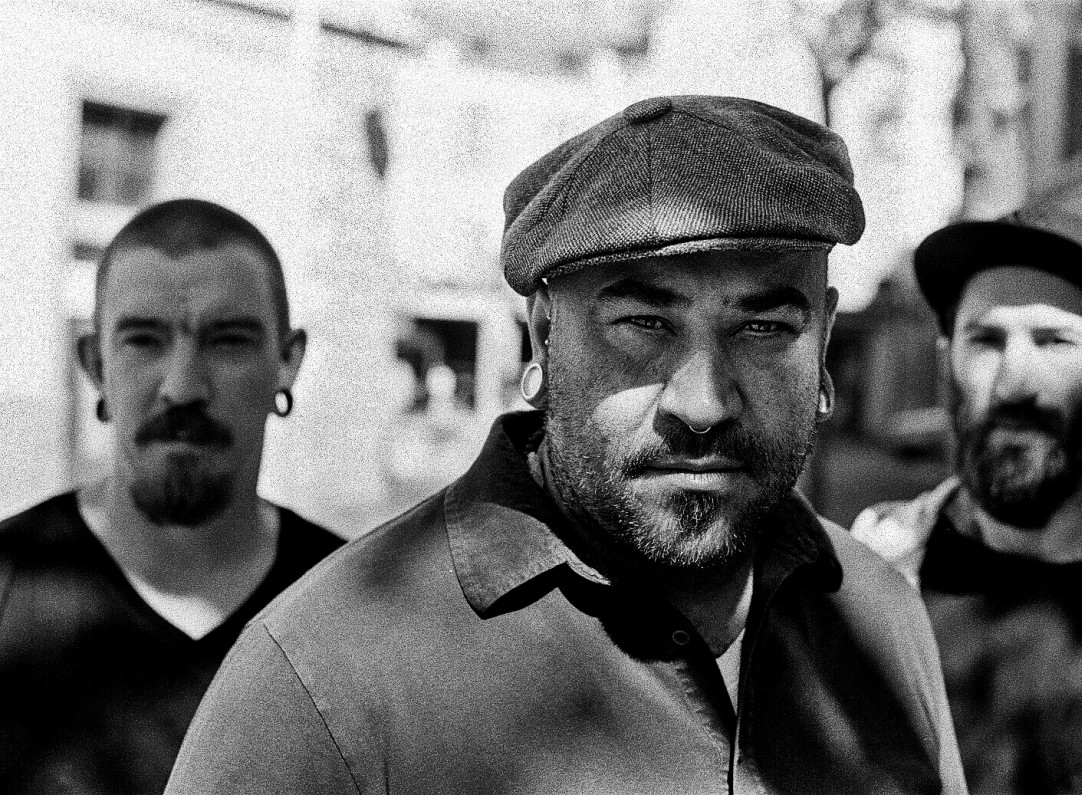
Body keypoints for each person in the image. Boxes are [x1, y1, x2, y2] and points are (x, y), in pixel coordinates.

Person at [167, 96, 966, 794]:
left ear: (823, 340)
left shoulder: (879, 616)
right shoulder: (325, 677)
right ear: (543, 336)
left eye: (763, 327)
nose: (702, 402)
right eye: (644, 324)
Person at [0, 199, 344, 794]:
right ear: (95, 364)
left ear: (286, 362)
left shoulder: (354, 613)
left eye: (228, 341)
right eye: (143, 340)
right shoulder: (8, 589)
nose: (183, 387)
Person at [852, 208, 1082, 794]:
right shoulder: (859, 578)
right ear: (947, 361)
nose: (1013, 383)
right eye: (985, 340)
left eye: (1053, 340)